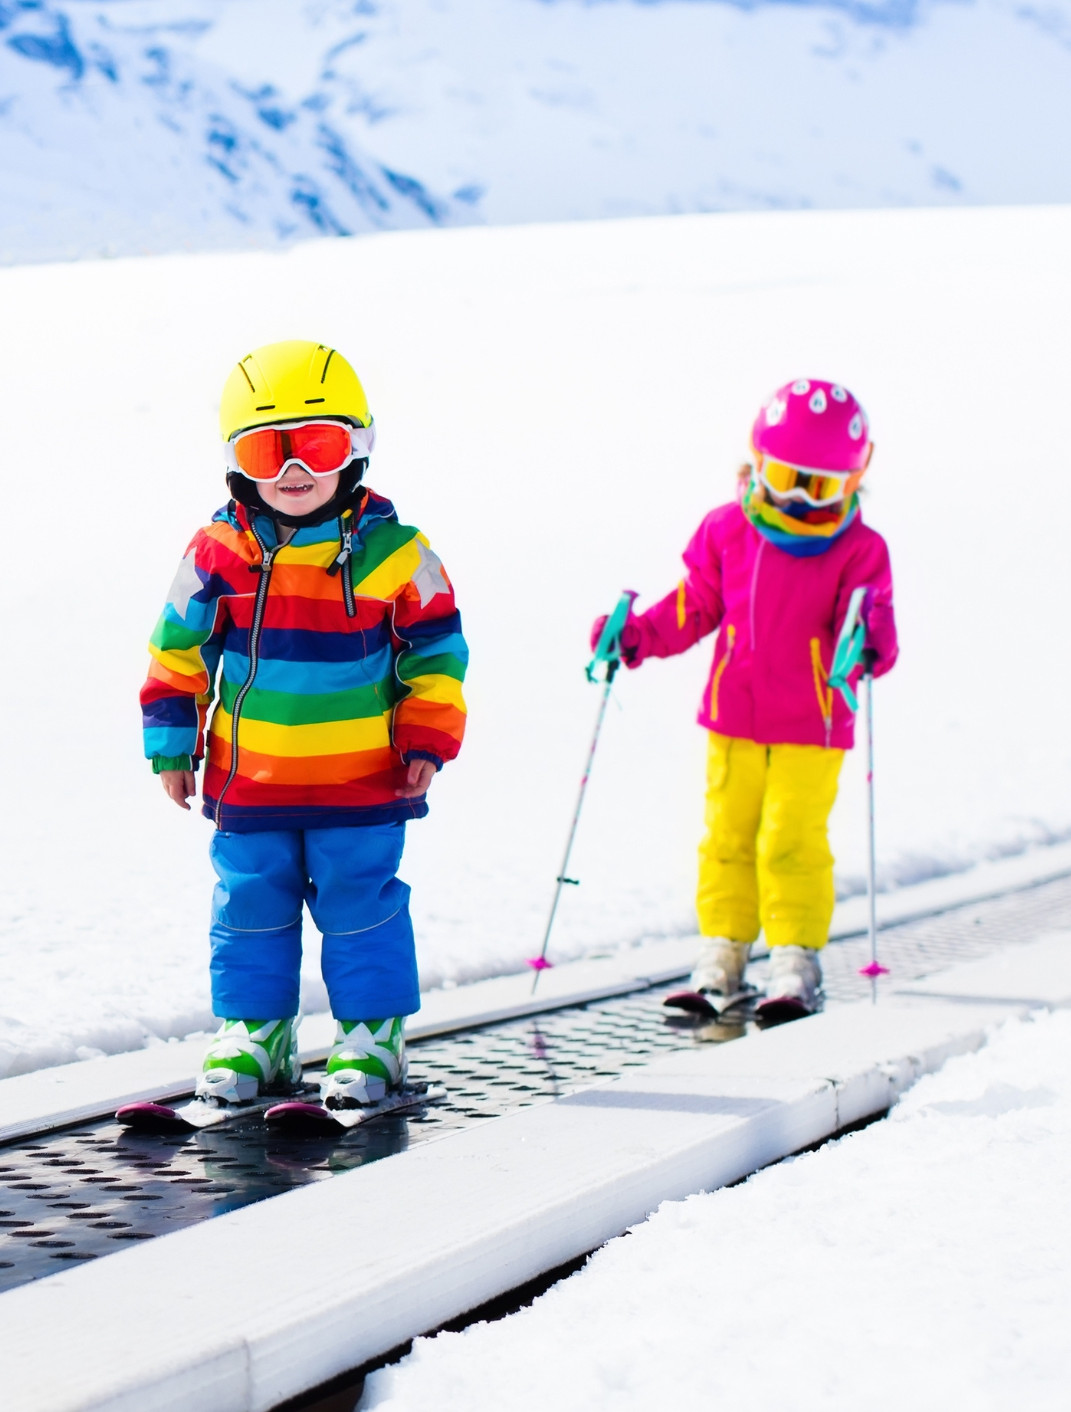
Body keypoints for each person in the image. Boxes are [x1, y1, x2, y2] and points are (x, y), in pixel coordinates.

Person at [141, 339, 467, 1106]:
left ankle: (372, 1035)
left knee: (361, 905)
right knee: (250, 904)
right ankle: (256, 1032)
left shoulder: (398, 553)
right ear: (236, 461)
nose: (292, 470)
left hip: (364, 780)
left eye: (315, 446)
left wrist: (427, 736)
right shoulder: (216, 553)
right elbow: (178, 649)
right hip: (249, 779)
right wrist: (172, 743)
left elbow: (437, 651)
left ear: (355, 448)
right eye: (268, 450)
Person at [592, 378, 897, 1015]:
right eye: (784, 477)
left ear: (851, 481)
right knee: (726, 837)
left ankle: (794, 958)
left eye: (816, 486)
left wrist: (870, 641)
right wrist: (638, 635)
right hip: (734, 717)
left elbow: (872, 636)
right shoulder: (729, 530)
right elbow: (695, 604)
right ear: (757, 462)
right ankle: (723, 952)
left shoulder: (859, 550)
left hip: (812, 725)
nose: (795, 498)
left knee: (790, 841)